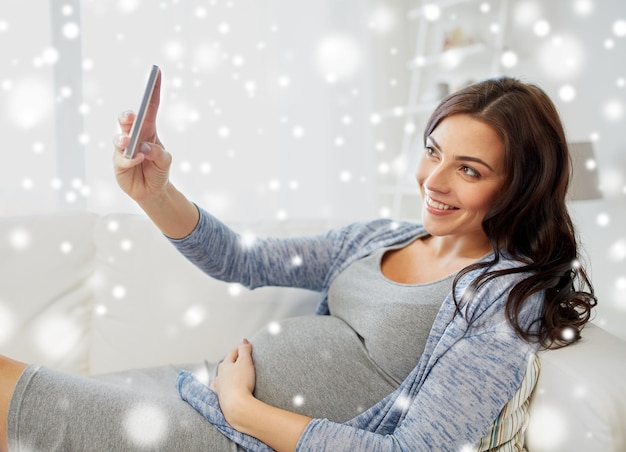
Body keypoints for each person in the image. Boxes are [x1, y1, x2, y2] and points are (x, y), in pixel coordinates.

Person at [0, 75, 596, 451]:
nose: (433, 182)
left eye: (469, 169)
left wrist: (244, 409)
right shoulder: (378, 238)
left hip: (234, 432)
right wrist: (153, 193)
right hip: (196, 391)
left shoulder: (504, 299)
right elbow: (242, 258)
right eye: (433, 153)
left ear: (520, 185)